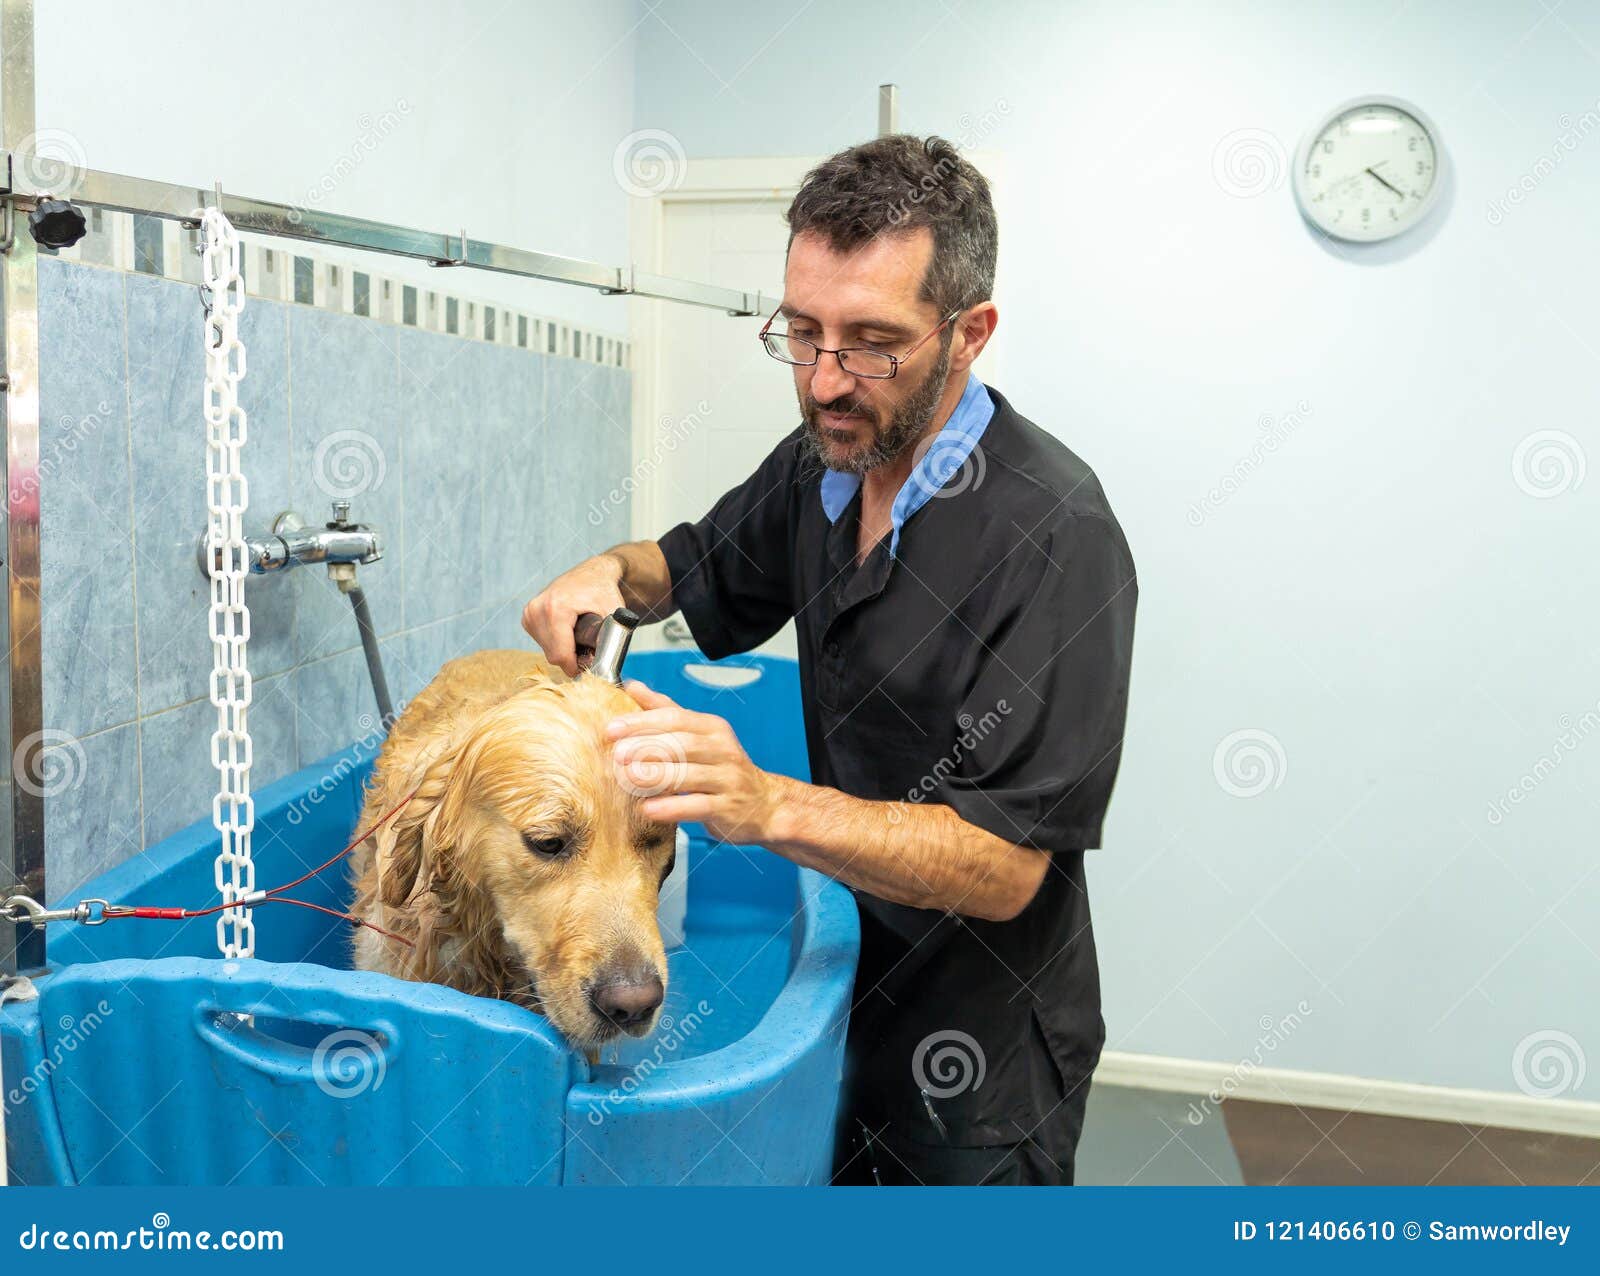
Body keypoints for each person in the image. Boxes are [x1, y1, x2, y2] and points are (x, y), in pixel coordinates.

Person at [522, 134, 1137, 1186]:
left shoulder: (1055, 536)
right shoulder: (824, 463)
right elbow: (683, 564)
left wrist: (769, 806)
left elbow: (1002, 869)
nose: (824, 381)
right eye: (801, 332)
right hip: (849, 992)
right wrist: (605, 574)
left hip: (980, 1057)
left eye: (870, 341)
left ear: (970, 332)